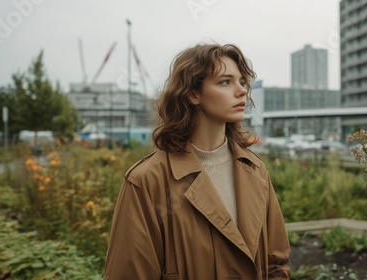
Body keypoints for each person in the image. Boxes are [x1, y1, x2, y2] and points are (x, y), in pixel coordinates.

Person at [104, 43, 290, 279]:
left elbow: (276, 263)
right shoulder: (146, 181)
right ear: (193, 93)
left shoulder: (256, 170)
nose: (242, 90)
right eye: (225, 82)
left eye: (242, 82)